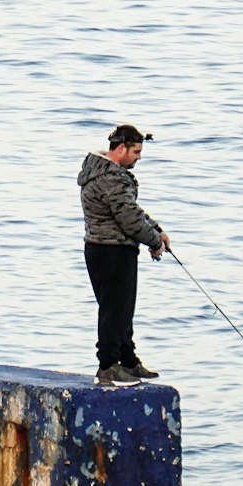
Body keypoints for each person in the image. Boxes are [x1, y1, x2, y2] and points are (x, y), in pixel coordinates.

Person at [77, 123, 171, 387]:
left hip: (104, 247)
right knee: (114, 309)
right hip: (112, 250)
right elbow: (128, 217)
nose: (138, 158)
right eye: (136, 152)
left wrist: (157, 229)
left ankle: (128, 360)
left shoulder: (100, 172)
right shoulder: (113, 178)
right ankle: (108, 366)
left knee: (122, 308)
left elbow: (132, 209)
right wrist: (154, 242)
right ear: (121, 148)